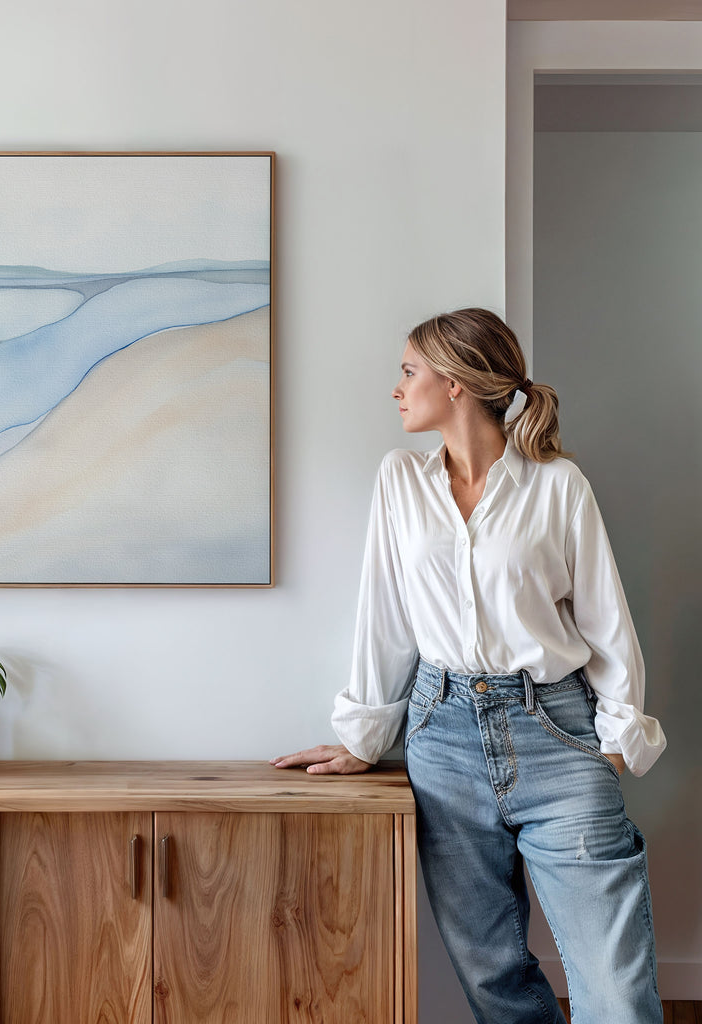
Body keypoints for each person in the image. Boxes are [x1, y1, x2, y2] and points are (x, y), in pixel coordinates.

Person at [271, 308, 666, 1024]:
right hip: (442, 738)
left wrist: (613, 743)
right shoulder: (400, 480)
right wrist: (364, 736)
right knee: (493, 978)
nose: (397, 388)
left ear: (454, 383)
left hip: (556, 731)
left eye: (409, 371)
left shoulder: (558, 485)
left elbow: (606, 621)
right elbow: (385, 617)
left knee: (615, 988)